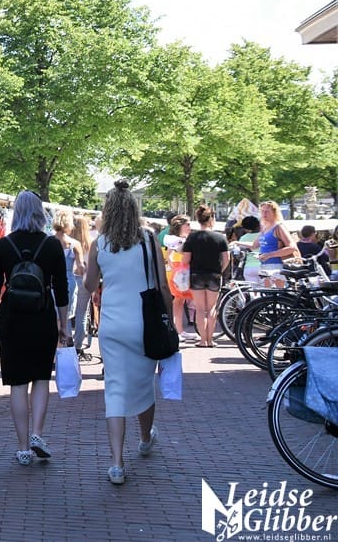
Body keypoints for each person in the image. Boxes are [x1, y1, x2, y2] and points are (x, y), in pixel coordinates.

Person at [83, 180, 171, 485]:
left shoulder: (100, 244)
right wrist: (170, 321)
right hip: (144, 323)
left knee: (115, 389)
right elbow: (163, 285)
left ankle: (117, 463)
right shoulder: (148, 240)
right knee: (144, 384)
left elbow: (89, 285)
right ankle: (145, 438)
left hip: (112, 325)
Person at [0, 191, 69, 466]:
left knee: (18, 382)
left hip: (11, 317)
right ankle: (37, 433)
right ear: (40, 213)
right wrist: (64, 324)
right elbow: (62, 289)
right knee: (41, 378)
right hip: (42, 316)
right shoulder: (52, 245)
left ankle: (22, 447)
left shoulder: (3, 244)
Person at [182, 205, 230, 348]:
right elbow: (226, 259)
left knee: (200, 309)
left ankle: (203, 340)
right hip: (214, 275)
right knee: (212, 308)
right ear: (211, 219)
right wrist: (220, 271)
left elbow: (185, 259)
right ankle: (210, 340)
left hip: (196, 275)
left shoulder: (192, 237)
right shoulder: (220, 237)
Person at [53, 209, 84, 341]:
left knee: (52, 316)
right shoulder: (75, 244)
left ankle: (53, 346)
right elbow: (81, 268)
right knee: (65, 318)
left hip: (52, 281)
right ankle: (63, 344)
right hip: (69, 281)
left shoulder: (49, 241)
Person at [162, 215, 195, 342]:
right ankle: (176, 330)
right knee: (178, 301)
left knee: (179, 302)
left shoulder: (181, 239)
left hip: (181, 272)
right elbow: (169, 256)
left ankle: (179, 330)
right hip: (178, 273)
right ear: (180, 225)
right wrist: (176, 269)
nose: (189, 227)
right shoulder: (176, 240)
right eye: (187, 224)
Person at [250, 201, 297, 288]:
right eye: (262, 211)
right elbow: (254, 245)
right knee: (268, 293)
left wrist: (269, 255)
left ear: (274, 212)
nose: (264, 214)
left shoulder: (278, 227)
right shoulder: (264, 227)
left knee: (279, 293)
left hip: (277, 265)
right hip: (265, 265)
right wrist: (236, 243)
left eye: (267, 211)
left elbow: (292, 247)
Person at [71, 214, 95, 354]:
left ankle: (66, 342)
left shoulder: (69, 242)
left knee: (67, 313)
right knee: (82, 313)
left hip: (71, 277)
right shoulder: (91, 243)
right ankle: (78, 345)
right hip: (84, 279)